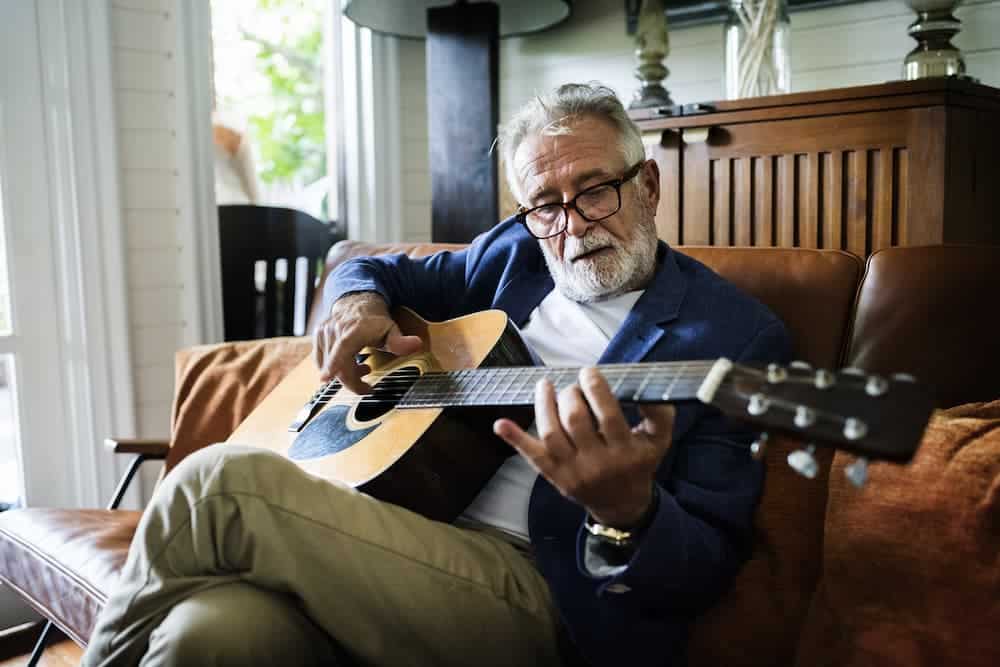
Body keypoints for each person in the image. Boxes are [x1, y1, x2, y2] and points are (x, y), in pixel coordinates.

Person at [82, 82, 790, 667]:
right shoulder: (515, 252)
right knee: (205, 634)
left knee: (216, 483)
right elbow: (375, 267)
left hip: (542, 589)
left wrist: (627, 514)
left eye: (596, 189)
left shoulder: (734, 335)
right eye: (546, 203)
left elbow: (707, 560)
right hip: (399, 525)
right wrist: (356, 301)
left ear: (649, 185)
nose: (571, 226)